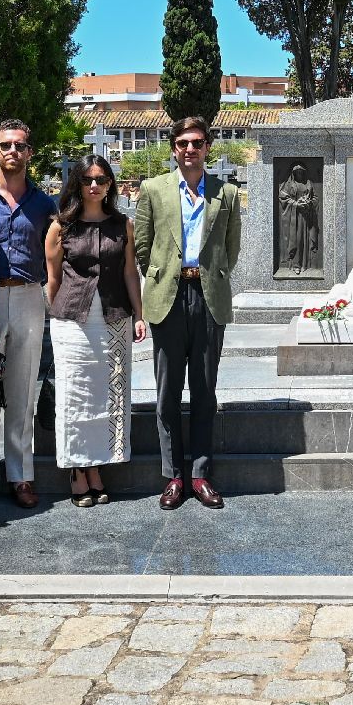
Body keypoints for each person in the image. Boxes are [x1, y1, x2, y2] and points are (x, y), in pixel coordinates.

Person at [134, 114, 242, 509]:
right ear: (174, 148)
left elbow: (231, 248)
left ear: (207, 147)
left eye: (197, 143)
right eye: (183, 143)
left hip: (208, 295)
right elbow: (144, 246)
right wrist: (163, 276)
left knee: (204, 390)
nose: (190, 149)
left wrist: (209, 274)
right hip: (168, 295)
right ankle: (173, 476)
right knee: (166, 392)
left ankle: (199, 474)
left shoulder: (225, 193)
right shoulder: (153, 189)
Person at [0, 118, 55, 508]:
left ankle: (20, 476)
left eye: (20, 145)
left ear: (29, 153)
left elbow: (56, 254)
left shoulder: (43, 202)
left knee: (21, 392)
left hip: (29, 299)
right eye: (6, 145)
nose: (13, 152)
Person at [45, 154, 145, 503]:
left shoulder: (123, 225)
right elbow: (53, 279)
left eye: (101, 180)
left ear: (109, 185)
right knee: (74, 396)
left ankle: (96, 466)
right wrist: (56, 315)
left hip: (115, 317)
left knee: (107, 395)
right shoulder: (61, 226)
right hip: (72, 321)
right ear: (77, 184)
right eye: (87, 180)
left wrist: (139, 314)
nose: (94, 186)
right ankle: (77, 469)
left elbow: (130, 272)